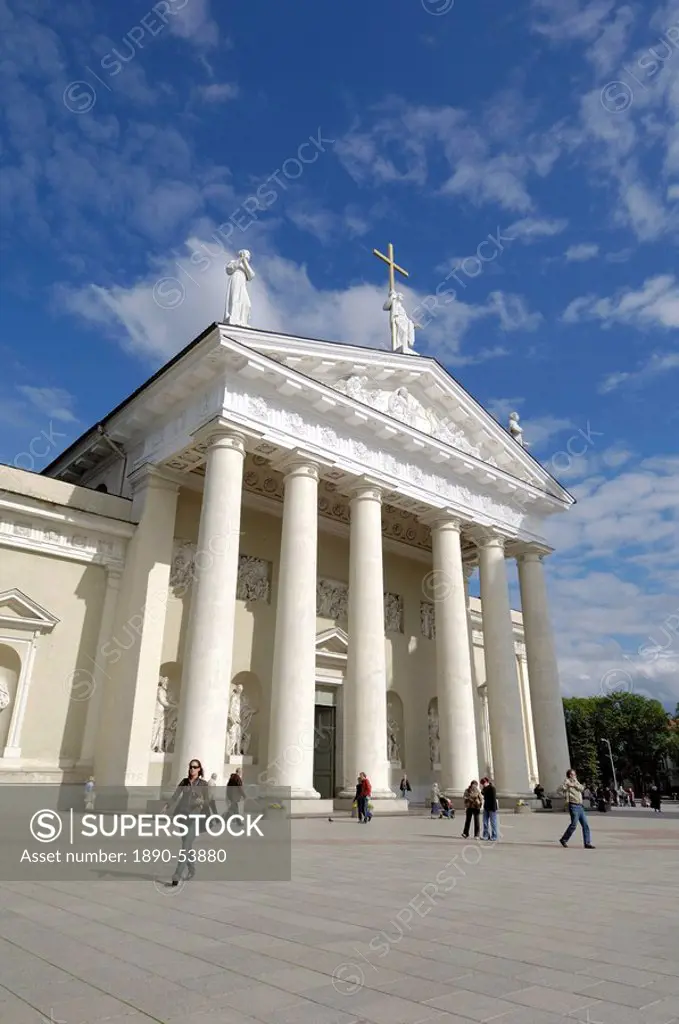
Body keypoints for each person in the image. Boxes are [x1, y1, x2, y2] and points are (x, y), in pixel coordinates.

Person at [164, 758, 209, 885]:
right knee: (186, 844)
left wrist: (201, 802)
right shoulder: (184, 782)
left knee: (185, 847)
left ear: (199, 769)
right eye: (191, 766)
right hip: (182, 817)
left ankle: (176, 875)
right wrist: (167, 806)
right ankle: (192, 868)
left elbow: (208, 801)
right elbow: (175, 795)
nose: (192, 769)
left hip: (195, 818)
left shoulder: (204, 784)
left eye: (195, 767)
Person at [559, 769, 595, 849]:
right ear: (570, 775)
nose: (575, 776)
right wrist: (566, 788)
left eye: (575, 774)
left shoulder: (576, 782)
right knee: (574, 825)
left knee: (585, 825)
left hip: (580, 806)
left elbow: (582, 788)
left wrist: (574, 785)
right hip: (573, 806)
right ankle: (564, 839)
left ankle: (587, 843)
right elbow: (559, 789)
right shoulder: (566, 782)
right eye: (573, 774)